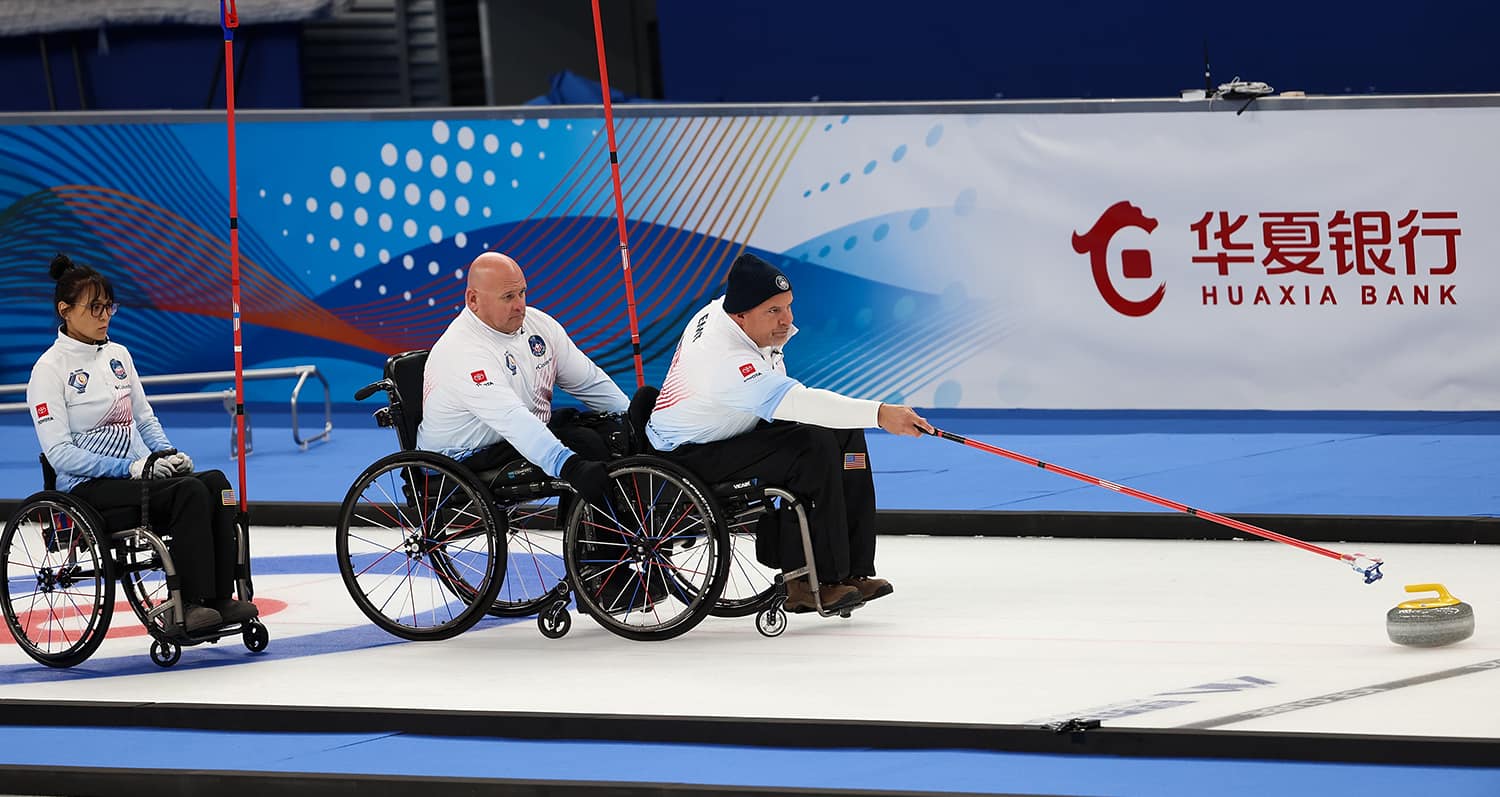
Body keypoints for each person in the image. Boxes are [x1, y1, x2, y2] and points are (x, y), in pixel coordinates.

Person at [645, 252, 933, 614]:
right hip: (690, 453)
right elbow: (798, 403)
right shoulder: (723, 360)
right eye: (774, 311)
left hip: (733, 423)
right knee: (813, 447)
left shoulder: (737, 311)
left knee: (846, 435)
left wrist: (867, 417)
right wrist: (880, 413)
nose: (788, 320)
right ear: (741, 316)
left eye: (788, 306)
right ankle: (810, 583)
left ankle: (854, 570)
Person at [26, 254, 258, 633]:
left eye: (109, 307)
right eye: (95, 308)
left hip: (137, 478)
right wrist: (130, 467)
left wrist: (168, 453)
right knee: (188, 494)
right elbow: (59, 454)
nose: (105, 316)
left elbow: (145, 419)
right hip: (88, 489)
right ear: (64, 311)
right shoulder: (49, 370)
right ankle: (189, 606)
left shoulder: (119, 356)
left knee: (216, 484)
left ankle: (219, 599)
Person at [416, 251, 646, 605]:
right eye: (509, 297)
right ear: (473, 300)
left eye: (523, 293)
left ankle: (629, 543)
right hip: (463, 460)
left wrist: (637, 427)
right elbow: (513, 420)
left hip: (516, 435)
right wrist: (569, 466)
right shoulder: (463, 351)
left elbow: (590, 383)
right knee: (582, 447)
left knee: (607, 433)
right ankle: (601, 574)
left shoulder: (539, 327)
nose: (520, 305)